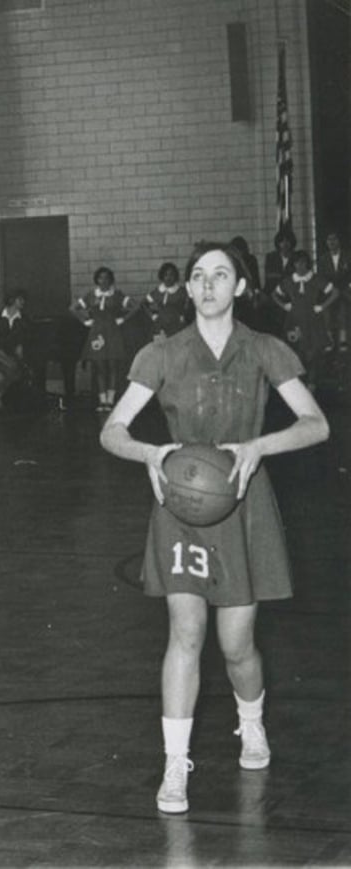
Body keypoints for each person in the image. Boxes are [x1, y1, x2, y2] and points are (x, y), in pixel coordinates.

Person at [100, 240, 329, 816]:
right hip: (181, 508)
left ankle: (251, 724)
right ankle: (175, 764)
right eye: (198, 276)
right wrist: (151, 455)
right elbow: (112, 430)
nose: (206, 285)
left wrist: (259, 445)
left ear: (240, 288)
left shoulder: (264, 350)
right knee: (185, 633)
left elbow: (316, 424)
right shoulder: (162, 353)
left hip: (244, 505)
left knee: (237, 646)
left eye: (219, 275)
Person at [272, 250, 337, 388]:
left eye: (303, 262)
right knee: (296, 352)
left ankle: (311, 383)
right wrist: (284, 305)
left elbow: (335, 292)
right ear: (293, 264)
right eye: (297, 262)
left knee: (313, 352)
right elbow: (274, 294)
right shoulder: (289, 281)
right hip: (294, 320)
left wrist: (322, 306)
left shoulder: (315, 279)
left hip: (312, 320)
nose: (300, 266)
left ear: (308, 263)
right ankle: (299, 385)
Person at [72, 266, 133, 411]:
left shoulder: (117, 294)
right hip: (97, 333)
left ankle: (110, 401)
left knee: (112, 366)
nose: (103, 280)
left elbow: (135, 307)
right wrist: (85, 321)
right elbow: (73, 308)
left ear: (110, 280)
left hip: (113, 333)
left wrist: (122, 319)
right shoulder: (91, 295)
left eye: (106, 277)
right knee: (99, 367)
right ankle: (102, 401)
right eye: (100, 277)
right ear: (97, 280)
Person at [317, 231, 350, 351]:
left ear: (339, 241)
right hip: (330, 292)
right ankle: (329, 340)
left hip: (346, 290)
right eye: (329, 240)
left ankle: (343, 340)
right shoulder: (322, 259)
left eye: (334, 239)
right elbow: (321, 279)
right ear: (326, 243)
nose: (332, 242)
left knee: (343, 308)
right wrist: (331, 290)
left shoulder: (348, 256)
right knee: (326, 310)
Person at [143, 262, 191, 340]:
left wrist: (183, 317)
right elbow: (144, 304)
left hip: (177, 327)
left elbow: (190, 306)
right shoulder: (158, 291)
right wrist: (153, 316)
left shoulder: (182, 291)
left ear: (175, 277)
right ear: (162, 276)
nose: (168, 278)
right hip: (160, 327)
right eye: (166, 275)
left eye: (171, 275)